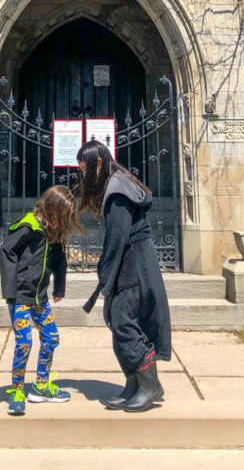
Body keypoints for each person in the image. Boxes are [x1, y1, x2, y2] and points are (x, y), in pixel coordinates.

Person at [78, 140, 171, 413]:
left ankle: (150, 385)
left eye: (84, 170)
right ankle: (134, 384)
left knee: (123, 321)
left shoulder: (118, 192)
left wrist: (105, 274)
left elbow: (117, 239)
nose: (82, 176)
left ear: (97, 164)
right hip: (131, 261)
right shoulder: (115, 185)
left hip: (134, 263)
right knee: (118, 319)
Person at [0, 183, 82, 416]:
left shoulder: (54, 233)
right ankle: (16, 391)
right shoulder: (29, 227)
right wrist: (10, 292)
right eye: (61, 216)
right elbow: (6, 251)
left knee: (51, 338)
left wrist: (60, 288)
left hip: (40, 298)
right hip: (21, 299)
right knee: (24, 343)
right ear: (50, 211)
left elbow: (59, 261)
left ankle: (41, 386)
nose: (64, 222)